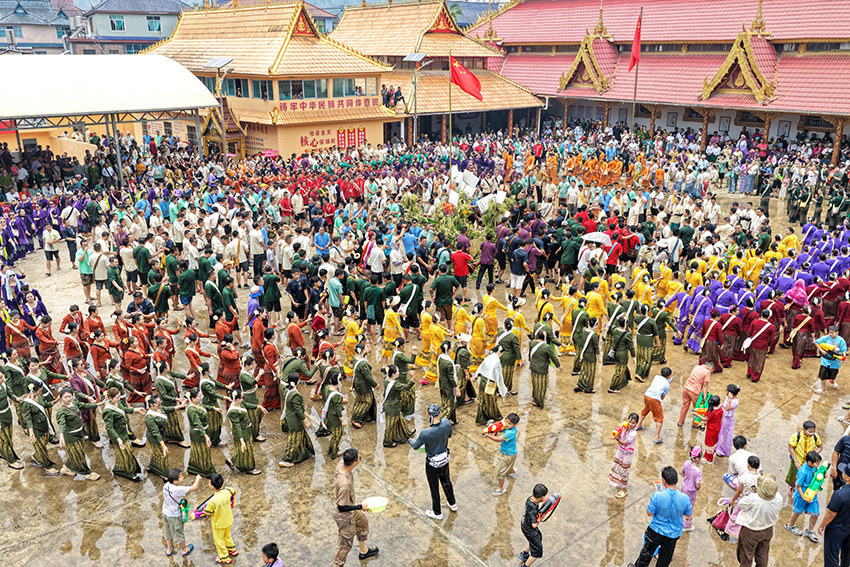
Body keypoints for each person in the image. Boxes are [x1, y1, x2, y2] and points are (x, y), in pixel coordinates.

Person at [627, 466, 693, 567]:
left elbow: (649, 513)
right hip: (673, 534)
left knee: (646, 553)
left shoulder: (657, 496)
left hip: (655, 531)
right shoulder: (685, 498)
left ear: (663, 481)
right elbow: (688, 514)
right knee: (664, 559)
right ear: (677, 480)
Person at [409, 403, 457, 520]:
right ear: (440, 413)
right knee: (446, 481)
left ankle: (437, 513)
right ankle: (453, 503)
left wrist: (410, 440)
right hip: (444, 459)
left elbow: (416, 446)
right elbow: (449, 435)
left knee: (434, 487)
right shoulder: (446, 422)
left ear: (427, 414)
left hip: (432, 463)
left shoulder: (426, 433)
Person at [332, 448, 379, 566]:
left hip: (350, 507)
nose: (359, 457)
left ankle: (364, 551)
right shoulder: (345, 484)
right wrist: (360, 507)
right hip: (344, 515)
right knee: (345, 544)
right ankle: (337, 565)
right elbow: (341, 507)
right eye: (358, 457)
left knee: (362, 524)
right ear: (354, 462)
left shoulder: (341, 464)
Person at [736, 474, 782, 567]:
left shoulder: (753, 498)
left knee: (746, 556)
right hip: (768, 529)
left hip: (751, 531)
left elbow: (741, 504)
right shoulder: (779, 498)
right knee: (763, 554)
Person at [198, 473, 239, 564]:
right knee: (227, 535)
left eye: (209, 482)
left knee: (219, 540)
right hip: (228, 519)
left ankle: (224, 557)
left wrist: (205, 518)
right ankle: (232, 549)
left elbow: (208, 513)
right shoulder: (227, 492)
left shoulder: (213, 500)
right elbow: (234, 490)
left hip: (219, 523)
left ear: (212, 486)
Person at [784, 450, 823, 543]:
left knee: (815, 513)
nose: (817, 465)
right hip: (801, 494)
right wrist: (803, 497)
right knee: (797, 511)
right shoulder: (803, 471)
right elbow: (798, 485)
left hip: (812, 493)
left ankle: (810, 530)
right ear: (809, 462)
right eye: (816, 464)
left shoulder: (813, 468)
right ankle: (790, 525)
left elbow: (815, 476)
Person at [162, 469, 201, 558]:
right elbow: (194, 488)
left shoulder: (166, 486)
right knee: (179, 533)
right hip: (174, 515)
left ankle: (169, 549)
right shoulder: (177, 489)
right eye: (181, 477)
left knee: (168, 531)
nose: (183, 478)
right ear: (175, 481)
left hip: (165, 512)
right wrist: (197, 478)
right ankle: (184, 550)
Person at [820, 462, 850, 567]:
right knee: (847, 555)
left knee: (831, 556)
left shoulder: (839, 494)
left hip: (836, 529)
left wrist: (821, 525)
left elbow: (831, 514)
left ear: (848, 478)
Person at [484, 412, 519, 496]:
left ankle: (500, 488)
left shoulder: (510, 433)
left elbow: (499, 439)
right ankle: (511, 470)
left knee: (500, 473)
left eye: (509, 424)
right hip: (513, 452)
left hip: (507, 455)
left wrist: (488, 436)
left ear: (515, 424)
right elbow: (502, 427)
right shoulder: (511, 428)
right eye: (507, 422)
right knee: (510, 463)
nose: (507, 425)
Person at [636, 366, 673, 443]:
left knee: (646, 410)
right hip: (654, 399)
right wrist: (666, 385)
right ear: (669, 376)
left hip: (647, 395)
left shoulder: (656, 377)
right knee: (659, 418)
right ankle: (657, 437)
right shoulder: (667, 385)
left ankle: (638, 425)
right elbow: (662, 397)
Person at [786, 420, 823, 490]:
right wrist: (796, 461)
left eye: (813, 432)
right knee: (794, 475)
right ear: (804, 430)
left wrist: (814, 454)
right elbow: (791, 448)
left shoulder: (815, 437)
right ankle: (792, 488)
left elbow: (820, 447)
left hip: (810, 462)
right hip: (798, 460)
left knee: (810, 475)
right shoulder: (796, 436)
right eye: (810, 432)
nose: (812, 434)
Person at [610, 412, 639, 498]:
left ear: (636, 424)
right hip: (621, 452)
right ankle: (621, 481)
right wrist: (618, 431)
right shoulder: (625, 428)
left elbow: (623, 443)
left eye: (633, 423)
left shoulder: (634, 434)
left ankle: (624, 490)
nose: (630, 424)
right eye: (629, 421)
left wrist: (617, 439)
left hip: (627, 454)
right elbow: (619, 434)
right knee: (619, 467)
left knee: (624, 471)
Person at [519, 483, 548, 567]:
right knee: (537, 551)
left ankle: (524, 554)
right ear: (542, 497)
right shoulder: (532, 507)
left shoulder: (530, 499)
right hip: (530, 529)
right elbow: (534, 525)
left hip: (524, 525)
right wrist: (542, 517)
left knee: (536, 538)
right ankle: (525, 566)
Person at [814, 324, 848, 393]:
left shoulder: (841, 340)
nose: (831, 334)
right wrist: (821, 350)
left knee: (833, 375)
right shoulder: (826, 337)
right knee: (822, 375)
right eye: (830, 332)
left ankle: (832, 381)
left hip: (835, 362)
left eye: (832, 333)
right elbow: (816, 342)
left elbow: (844, 350)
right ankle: (823, 389)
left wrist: (843, 357)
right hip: (825, 360)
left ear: (837, 332)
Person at [678, 360, 712, 427]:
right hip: (695, 391)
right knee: (697, 408)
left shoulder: (696, 367)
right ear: (711, 368)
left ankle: (680, 422)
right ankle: (695, 424)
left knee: (684, 406)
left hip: (686, 388)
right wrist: (705, 396)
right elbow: (705, 385)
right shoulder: (707, 372)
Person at [680, 446, 703, 532]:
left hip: (684, 486)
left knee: (682, 503)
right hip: (691, 491)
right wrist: (698, 487)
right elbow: (698, 485)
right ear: (697, 459)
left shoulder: (686, 463)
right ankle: (686, 525)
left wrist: (687, 477)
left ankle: (680, 519)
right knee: (689, 507)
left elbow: (681, 471)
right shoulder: (698, 471)